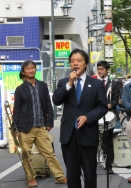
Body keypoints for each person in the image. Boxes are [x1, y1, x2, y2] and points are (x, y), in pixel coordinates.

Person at [52, 49, 108, 188]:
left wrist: (88, 117)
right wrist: (69, 83)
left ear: (86, 64)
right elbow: (56, 100)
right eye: (72, 61)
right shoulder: (64, 82)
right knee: (72, 174)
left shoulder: (96, 84)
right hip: (69, 136)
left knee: (89, 174)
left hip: (88, 134)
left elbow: (102, 107)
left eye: (79, 60)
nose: (75, 63)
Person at [13, 60, 67, 188]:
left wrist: (49, 122)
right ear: (23, 72)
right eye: (28, 68)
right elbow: (17, 110)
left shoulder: (42, 85)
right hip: (25, 128)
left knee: (49, 153)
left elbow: (48, 105)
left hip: (41, 126)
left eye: (33, 68)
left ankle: (59, 176)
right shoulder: (20, 89)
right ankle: (30, 178)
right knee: (26, 155)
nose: (31, 70)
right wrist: (15, 128)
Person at [97, 60, 120, 174]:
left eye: (102, 69)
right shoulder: (95, 82)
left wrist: (110, 104)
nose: (100, 71)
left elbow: (116, 99)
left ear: (107, 70)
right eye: (98, 69)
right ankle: (97, 159)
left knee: (108, 140)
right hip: (97, 114)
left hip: (109, 113)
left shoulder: (114, 83)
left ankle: (109, 164)